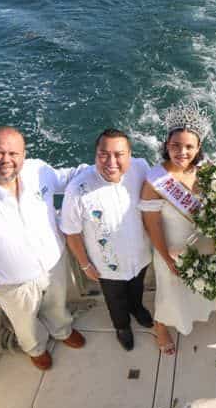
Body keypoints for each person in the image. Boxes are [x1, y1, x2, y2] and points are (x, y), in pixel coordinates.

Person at [0, 126, 86, 371]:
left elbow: (68, 178)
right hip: (11, 284)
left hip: (53, 264)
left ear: (24, 154)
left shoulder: (38, 170)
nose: (6, 160)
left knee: (57, 304)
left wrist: (103, 167)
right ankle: (35, 349)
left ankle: (62, 330)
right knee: (25, 324)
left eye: (14, 153)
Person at [60, 129, 153, 351]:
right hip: (107, 265)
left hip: (140, 254)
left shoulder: (141, 168)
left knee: (137, 287)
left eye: (119, 154)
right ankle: (122, 327)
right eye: (104, 154)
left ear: (130, 155)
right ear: (95, 155)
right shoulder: (77, 189)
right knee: (115, 300)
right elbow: (71, 232)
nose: (111, 162)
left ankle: (138, 309)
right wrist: (84, 264)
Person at [139, 103, 216, 355]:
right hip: (170, 248)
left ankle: (189, 315)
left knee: (196, 286)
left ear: (198, 148)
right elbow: (152, 226)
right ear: (167, 146)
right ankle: (160, 326)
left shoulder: (207, 171)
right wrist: (165, 258)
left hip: (201, 245)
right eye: (175, 146)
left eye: (189, 147)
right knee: (169, 291)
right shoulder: (155, 180)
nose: (182, 152)